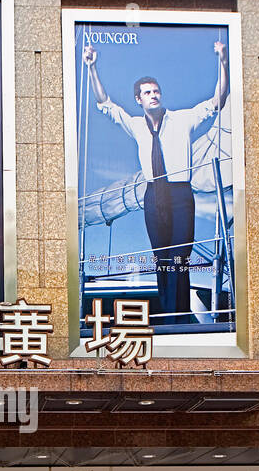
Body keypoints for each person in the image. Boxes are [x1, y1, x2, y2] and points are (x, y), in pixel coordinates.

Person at [83, 39, 229, 324]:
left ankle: (179, 316)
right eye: (147, 92)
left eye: (156, 91)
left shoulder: (183, 119)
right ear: (139, 99)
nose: (154, 95)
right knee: (162, 259)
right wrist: (91, 67)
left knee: (180, 257)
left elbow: (217, 101)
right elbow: (105, 104)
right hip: (153, 195)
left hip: (179, 193)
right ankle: (170, 315)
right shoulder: (137, 125)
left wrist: (222, 62)